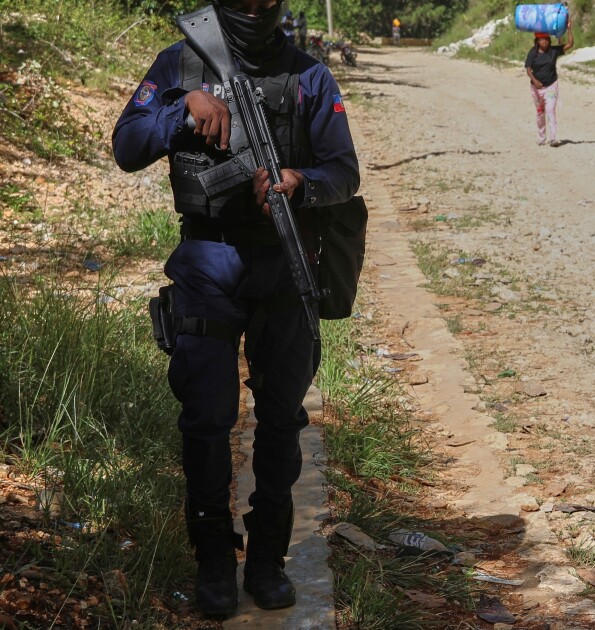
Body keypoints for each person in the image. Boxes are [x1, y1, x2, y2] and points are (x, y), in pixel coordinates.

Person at [111, 0, 359, 619]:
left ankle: (270, 559)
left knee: (280, 420)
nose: (254, 7)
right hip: (207, 264)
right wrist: (180, 110)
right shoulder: (179, 63)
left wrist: (300, 182)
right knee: (206, 419)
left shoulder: (309, 75)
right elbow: (127, 144)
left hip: (284, 264)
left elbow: (343, 171)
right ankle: (215, 559)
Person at [524, 18, 574, 147]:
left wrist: (569, 29)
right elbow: (528, 69)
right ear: (537, 41)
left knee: (551, 110)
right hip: (536, 88)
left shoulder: (553, 51)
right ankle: (541, 138)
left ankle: (553, 138)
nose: (544, 42)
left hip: (551, 85)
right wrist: (535, 81)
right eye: (541, 40)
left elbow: (570, 44)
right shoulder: (533, 53)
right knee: (540, 112)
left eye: (546, 39)